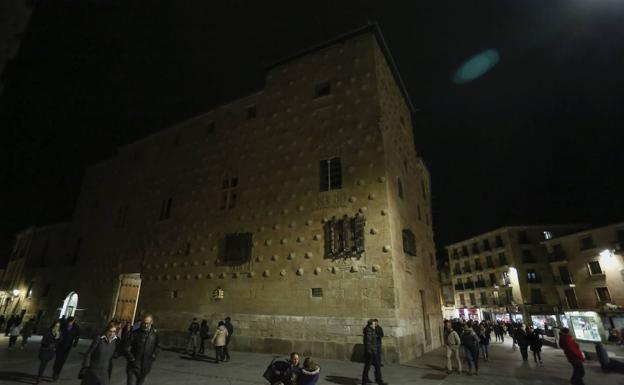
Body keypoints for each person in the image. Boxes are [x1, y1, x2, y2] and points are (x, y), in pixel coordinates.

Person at [124, 314, 160, 385]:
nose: (145, 325)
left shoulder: (155, 334)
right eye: (144, 323)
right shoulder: (135, 333)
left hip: (145, 366)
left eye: (148, 323)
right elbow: (125, 347)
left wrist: (153, 356)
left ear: (151, 322)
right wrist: (132, 359)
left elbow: (158, 346)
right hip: (133, 366)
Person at [52, 316, 81, 380]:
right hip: (60, 345)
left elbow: (77, 335)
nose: (70, 323)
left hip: (68, 346)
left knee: (62, 360)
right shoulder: (63, 325)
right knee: (58, 359)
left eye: (71, 322)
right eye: (69, 322)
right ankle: (55, 372)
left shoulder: (76, 327)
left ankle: (57, 373)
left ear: (73, 321)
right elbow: (57, 332)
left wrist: (75, 343)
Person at [361, 319, 387, 385]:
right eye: (373, 324)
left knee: (375, 366)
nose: (374, 325)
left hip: (372, 351)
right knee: (368, 366)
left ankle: (377, 380)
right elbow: (369, 343)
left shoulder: (371, 330)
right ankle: (366, 381)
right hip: (371, 352)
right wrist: (371, 352)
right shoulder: (369, 331)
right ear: (370, 324)